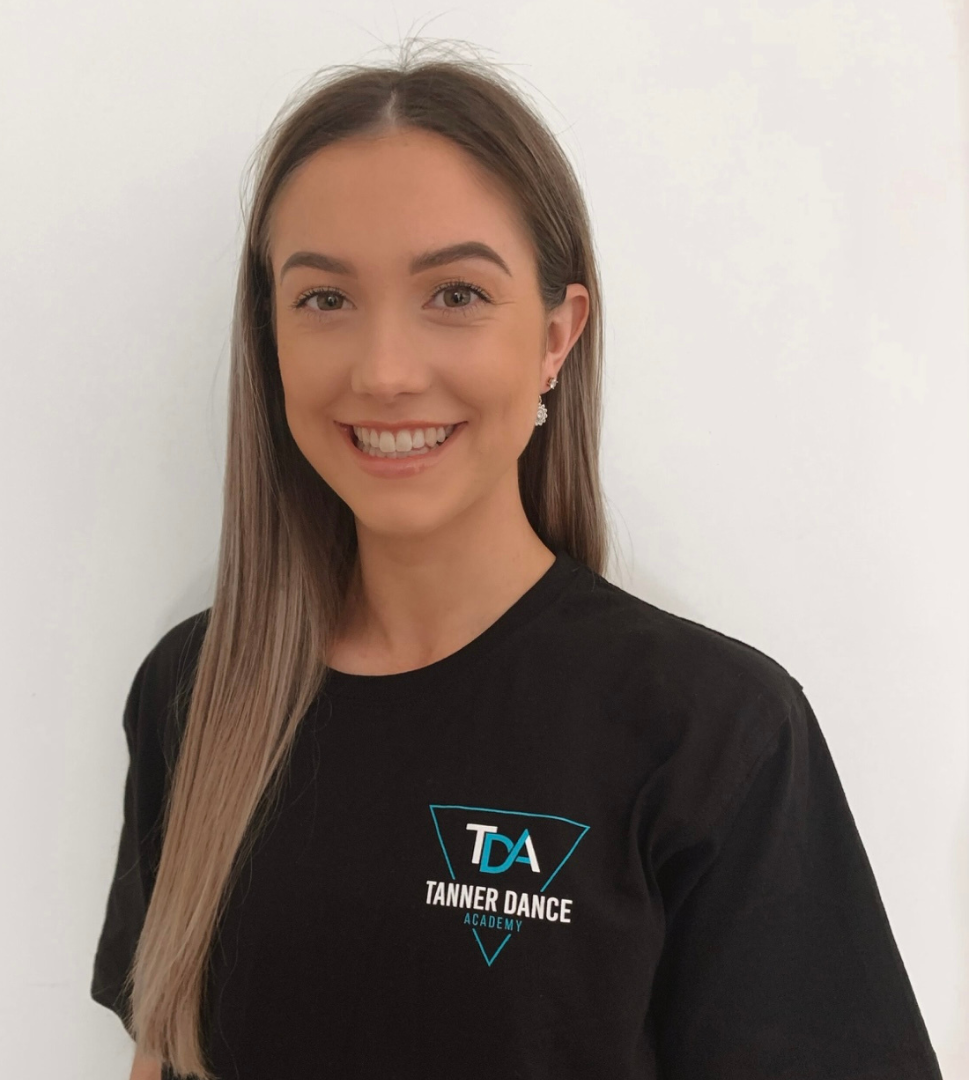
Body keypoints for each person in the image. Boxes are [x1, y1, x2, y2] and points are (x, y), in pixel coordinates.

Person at [90, 43, 944, 1080]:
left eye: (454, 294)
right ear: (268, 340)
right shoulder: (196, 692)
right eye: (324, 299)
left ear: (555, 335)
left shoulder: (713, 733)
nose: (387, 371)